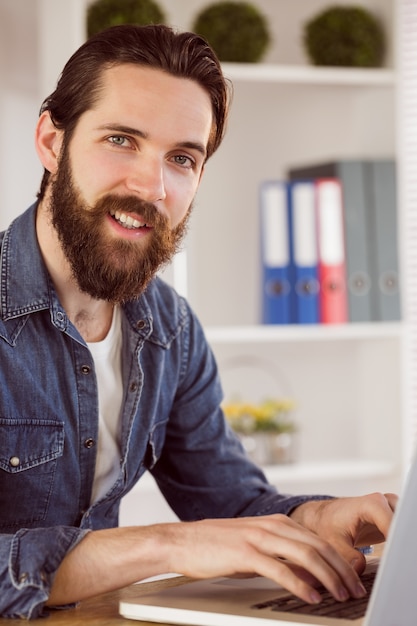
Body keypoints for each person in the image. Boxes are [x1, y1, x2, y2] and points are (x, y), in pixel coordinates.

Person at [0, 24, 396, 620]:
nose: (151, 186)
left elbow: (232, 501)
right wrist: (166, 543)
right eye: (121, 140)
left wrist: (315, 517)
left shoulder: (170, 330)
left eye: (181, 158)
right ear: (52, 142)